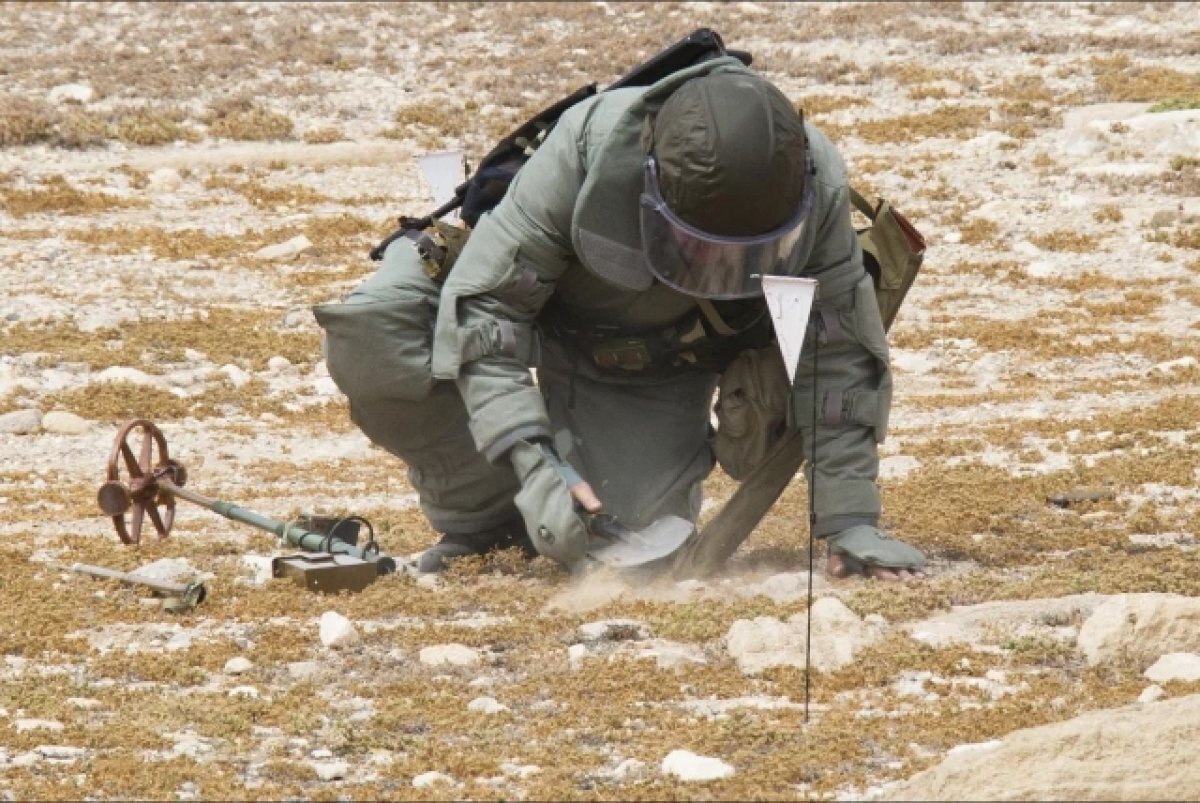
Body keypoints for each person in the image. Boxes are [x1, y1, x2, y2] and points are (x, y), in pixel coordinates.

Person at [315, 54, 927, 581]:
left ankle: (559, 511)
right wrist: (535, 467)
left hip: (648, 360)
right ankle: (491, 522)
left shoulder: (812, 184)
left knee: (629, 547)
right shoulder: (585, 151)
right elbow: (489, 311)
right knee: (380, 326)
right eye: (701, 247)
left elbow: (839, 348)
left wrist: (850, 519)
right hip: (542, 299)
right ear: (651, 185)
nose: (722, 268)